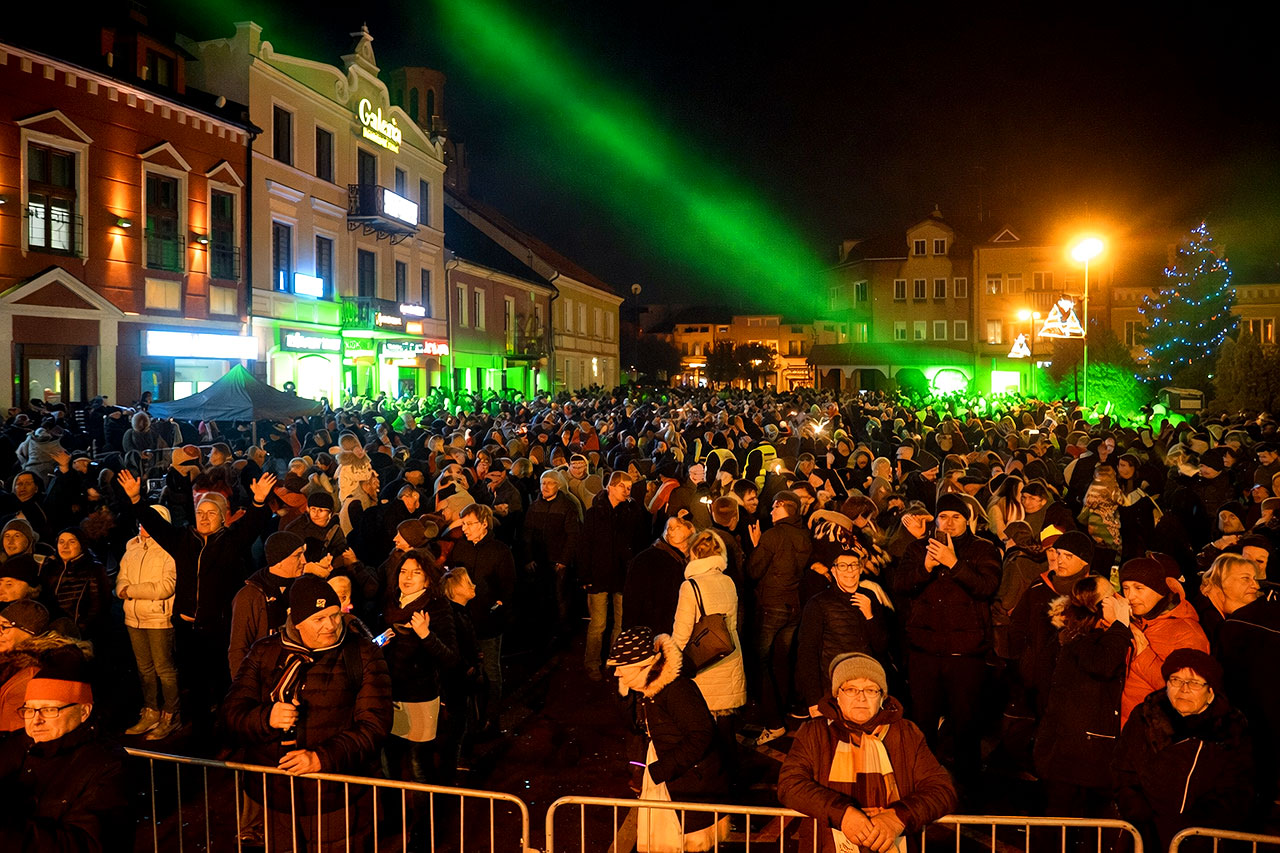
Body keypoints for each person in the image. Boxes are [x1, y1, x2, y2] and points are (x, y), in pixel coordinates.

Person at [221, 575, 392, 853]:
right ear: (297, 621)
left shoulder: (362, 654)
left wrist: (321, 758)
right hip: (277, 795)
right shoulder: (265, 652)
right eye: (319, 619)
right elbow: (231, 714)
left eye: (334, 615)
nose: (331, 625)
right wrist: (266, 718)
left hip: (336, 795)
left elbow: (375, 725)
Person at [117, 467, 276, 724]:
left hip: (218, 627)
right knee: (193, 685)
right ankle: (197, 731)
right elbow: (155, 525)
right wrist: (136, 499)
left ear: (223, 518)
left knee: (222, 681)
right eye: (200, 512)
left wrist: (258, 501)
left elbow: (252, 526)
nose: (203, 518)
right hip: (186, 627)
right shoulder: (183, 539)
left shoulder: (231, 542)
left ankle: (226, 729)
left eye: (211, 513)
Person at [777, 653, 957, 853]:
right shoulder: (814, 733)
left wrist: (898, 817)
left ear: (882, 697)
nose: (861, 697)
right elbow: (790, 785)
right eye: (851, 689)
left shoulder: (906, 733)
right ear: (838, 695)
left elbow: (942, 790)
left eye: (871, 690)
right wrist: (842, 814)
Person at [891, 492, 1000, 790]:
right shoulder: (917, 549)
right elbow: (900, 585)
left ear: (967, 520)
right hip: (924, 651)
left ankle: (967, 786)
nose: (949, 523)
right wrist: (924, 568)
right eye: (944, 517)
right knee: (922, 722)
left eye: (956, 517)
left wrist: (955, 564)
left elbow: (986, 586)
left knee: (966, 725)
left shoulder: (983, 549)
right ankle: (923, 782)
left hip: (965, 655)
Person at [1113, 649, 1252, 850]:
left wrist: (1194, 828)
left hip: (1198, 839)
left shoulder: (1230, 730)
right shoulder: (1146, 716)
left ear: (1211, 691)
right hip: (1143, 836)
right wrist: (1137, 813)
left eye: (1194, 683)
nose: (1183, 689)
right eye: (1175, 680)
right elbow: (1122, 769)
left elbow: (1237, 791)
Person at [608, 626, 731, 852]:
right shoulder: (643, 689)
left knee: (688, 845)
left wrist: (662, 770)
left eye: (621, 668)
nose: (617, 674)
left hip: (690, 786)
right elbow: (634, 725)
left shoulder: (677, 690)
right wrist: (624, 692)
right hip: (666, 780)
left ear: (642, 665)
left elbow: (701, 734)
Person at [0, 657, 134, 852]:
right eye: (29, 710)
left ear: (84, 711)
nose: (35, 721)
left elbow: (88, 844)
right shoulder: (14, 745)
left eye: (49, 710)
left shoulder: (108, 765)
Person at [1032, 576, 1132, 818]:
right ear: (1095, 605)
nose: (1119, 599)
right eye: (1111, 595)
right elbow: (1103, 663)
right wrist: (1122, 625)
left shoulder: (1075, 635)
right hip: (1074, 756)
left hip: (1071, 752)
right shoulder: (1078, 638)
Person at [380, 550, 458, 786]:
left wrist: (426, 635)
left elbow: (451, 658)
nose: (407, 577)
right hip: (389, 697)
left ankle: (426, 822)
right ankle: (394, 820)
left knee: (418, 768)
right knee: (388, 767)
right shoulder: (392, 602)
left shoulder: (436, 607)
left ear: (427, 579)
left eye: (416, 572)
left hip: (419, 699)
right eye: (403, 571)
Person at [795, 541, 893, 716]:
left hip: (866, 686)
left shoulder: (869, 597)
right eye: (843, 566)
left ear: (860, 569)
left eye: (854, 565)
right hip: (833, 688)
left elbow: (881, 646)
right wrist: (813, 699)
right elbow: (807, 653)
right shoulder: (818, 603)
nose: (849, 571)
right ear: (833, 570)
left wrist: (869, 616)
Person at [747, 490, 813, 745]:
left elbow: (753, 570)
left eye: (775, 507)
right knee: (781, 661)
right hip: (793, 606)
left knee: (761, 663)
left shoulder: (773, 536)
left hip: (771, 606)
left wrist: (756, 545)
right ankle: (784, 707)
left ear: (787, 508)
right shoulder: (803, 536)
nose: (771, 511)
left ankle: (773, 722)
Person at [671, 530, 747, 745]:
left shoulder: (691, 586)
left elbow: (682, 632)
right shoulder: (728, 581)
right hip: (729, 656)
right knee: (726, 733)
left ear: (693, 554)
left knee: (704, 733)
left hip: (703, 664)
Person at [1117, 556, 1210, 727]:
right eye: (1126, 588)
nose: (1130, 596)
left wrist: (1142, 652)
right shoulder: (1134, 620)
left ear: (1159, 590)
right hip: (1125, 727)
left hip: (1155, 732)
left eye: (1139, 588)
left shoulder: (1187, 632)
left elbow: (1186, 690)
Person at [449, 503, 515, 734]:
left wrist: (494, 607)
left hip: (487, 623)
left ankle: (491, 718)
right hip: (463, 621)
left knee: (490, 671)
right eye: (463, 524)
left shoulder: (500, 551)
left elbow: (508, 588)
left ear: (484, 524)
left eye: (469, 524)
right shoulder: (461, 548)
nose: (464, 529)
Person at [116, 508, 180, 740]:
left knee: (164, 668)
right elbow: (121, 577)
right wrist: (124, 588)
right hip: (134, 618)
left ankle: (171, 714)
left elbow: (165, 587)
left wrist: (129, 591)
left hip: (158, 618)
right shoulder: (131, 547)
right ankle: (151, 710)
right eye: (141, 522)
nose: (144, 527)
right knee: (144, 669)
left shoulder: (168, 550)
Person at [580, 471, 647, 679]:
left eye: (629, 487)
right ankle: (592, 663)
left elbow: (639, 544)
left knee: (621, 621)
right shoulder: (594, 513)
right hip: (599, 574)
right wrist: (585, 576)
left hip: (623, 575)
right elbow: (585, 546)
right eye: (623, 486)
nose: (627, 491)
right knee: (598, 623)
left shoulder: (633, 513)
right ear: (611, 487)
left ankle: (615, 658)